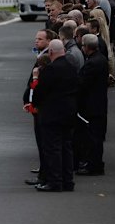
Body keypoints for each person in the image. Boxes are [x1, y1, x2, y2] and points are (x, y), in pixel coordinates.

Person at [32, 39, 78, 192]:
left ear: (51, 52)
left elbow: (39, 93)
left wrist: (36, 78)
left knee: (53, 148)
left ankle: (55, 181)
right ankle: (68, 180)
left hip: (52, 114)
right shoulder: (71, 67)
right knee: (67, 147)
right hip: (69, 112)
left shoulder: (50, 70)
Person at [23, 29, 55, 186]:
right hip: (36, 105)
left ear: (49, 41)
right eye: (36, 39)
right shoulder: (41, 55)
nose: (36, 41)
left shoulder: (46, 58)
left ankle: (45, 175)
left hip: (42, 107)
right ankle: (43, 172)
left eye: (40, 39)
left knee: (44, 143)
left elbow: (39, 84)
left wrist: (32, 100)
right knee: (41, 142)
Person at [76, 34, 108, 176]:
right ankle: (94, 163)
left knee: (93, 137)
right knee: (96, 136)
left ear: (87, 47)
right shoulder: (100, 59)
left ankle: (94, 166)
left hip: (93, 106)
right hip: (98, 103)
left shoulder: (92, 63)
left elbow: (83, 83)